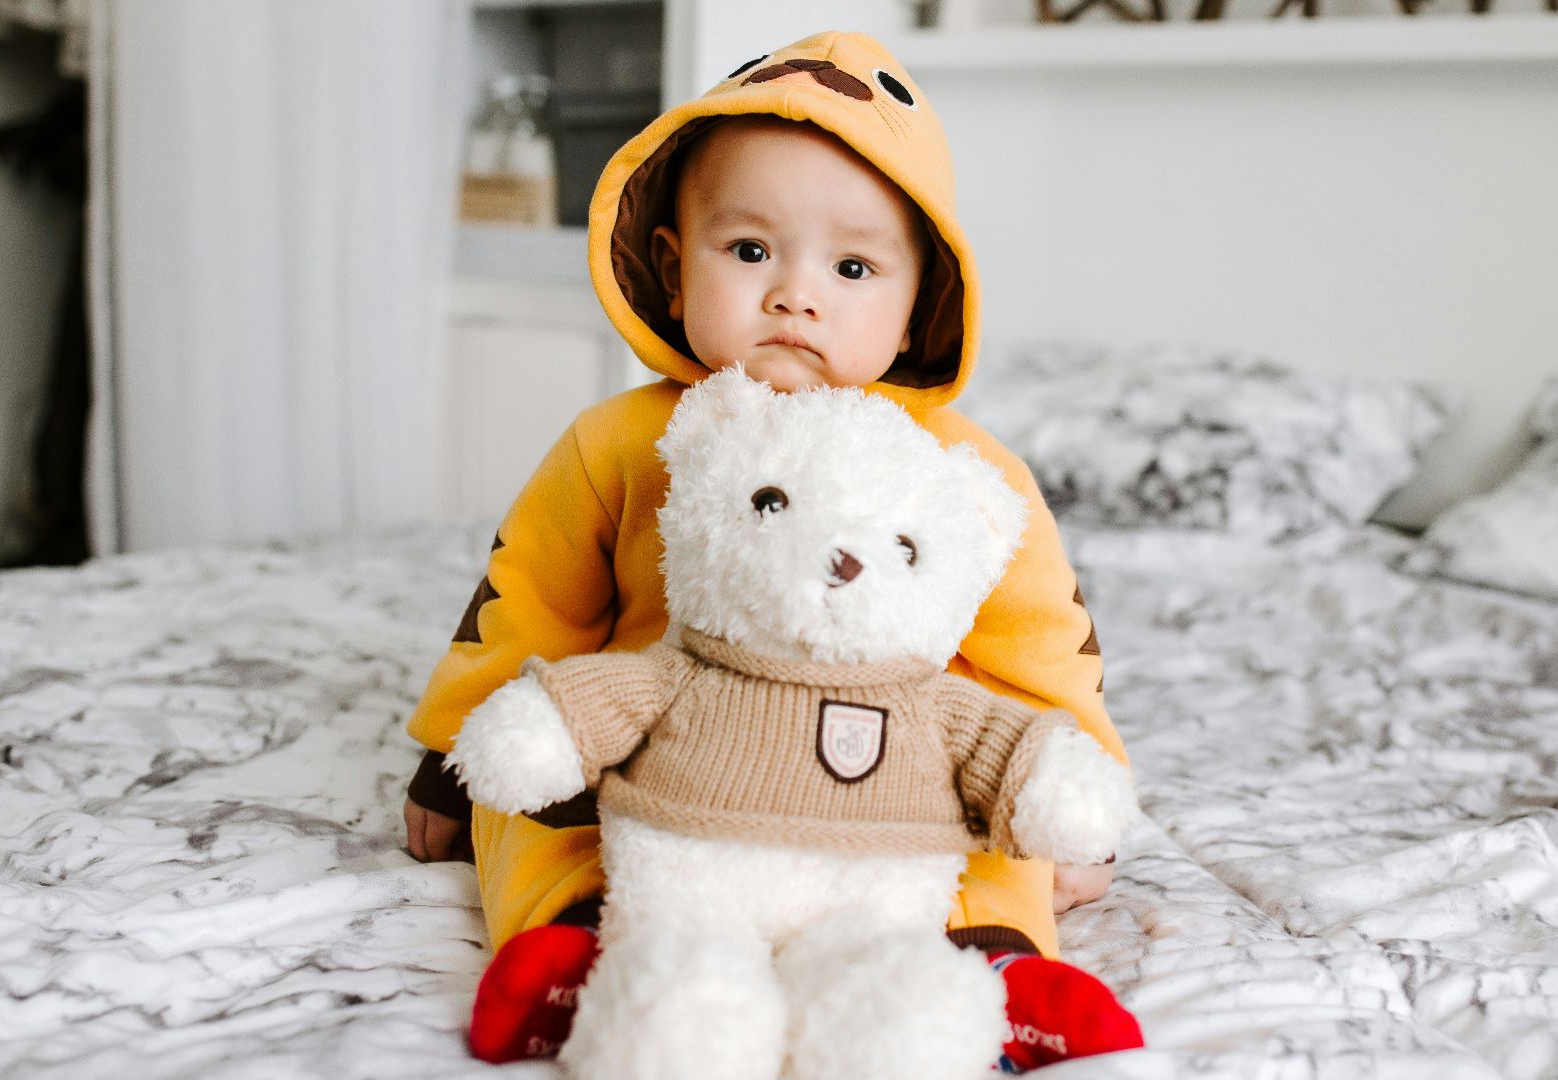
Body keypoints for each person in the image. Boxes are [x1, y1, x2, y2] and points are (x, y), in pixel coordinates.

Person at [402, 30, 1143, 1074]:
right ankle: (574, 943)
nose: (797, 294)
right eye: (750, 251)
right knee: (528, 810)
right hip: (660, 769)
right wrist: (450, 751)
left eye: (852, 266)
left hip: (894, 784)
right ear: (673, 262)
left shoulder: (960, 472)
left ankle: (993, 964)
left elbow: (1043, 645)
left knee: (982, 843)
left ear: (919, 299)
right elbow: (524, 601)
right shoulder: (622, 443)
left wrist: (1078, 798)